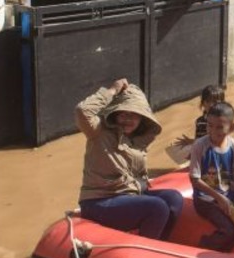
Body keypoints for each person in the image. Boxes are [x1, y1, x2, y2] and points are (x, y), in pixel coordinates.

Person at [76, 79, 183, 240]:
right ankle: (147, 249)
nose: (128, 119)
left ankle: (160, 244)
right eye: (124, 114)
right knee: (157, 207)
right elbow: (82, 110)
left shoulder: (138, 140)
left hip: (129, 194)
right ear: (115, 114)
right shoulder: (98, 132)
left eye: (134, 115)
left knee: (174, 198)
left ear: (142, 119)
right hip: (100, 200)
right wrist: (111, 91)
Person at [189, 102, 234, 252]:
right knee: (231, 232)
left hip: (228, 195)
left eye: (219, 127)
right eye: (209, 125)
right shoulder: (200, 146)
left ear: (232, 127)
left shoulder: (232, 145)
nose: (212, 131)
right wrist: (219, 198)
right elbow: (195, 179)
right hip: (206, 200)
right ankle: (204, 247)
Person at [174, 84, 226, 149]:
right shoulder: (200, 121)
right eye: (208, 101)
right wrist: (191, 143)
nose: (211, 104)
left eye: (215, 102)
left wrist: (192, 141)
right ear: (203, 103)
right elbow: (200, 142)